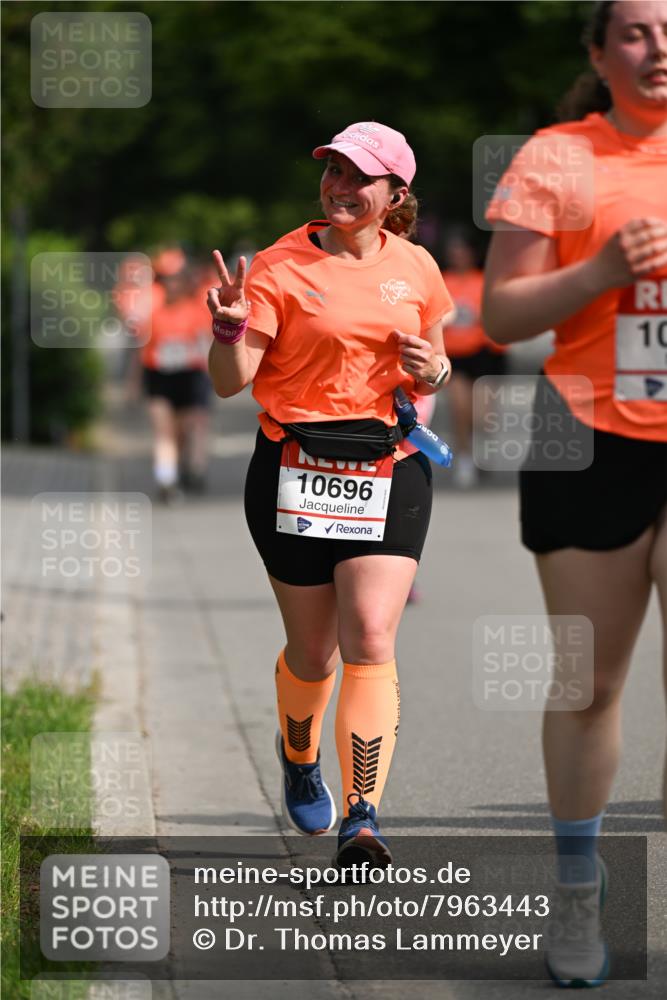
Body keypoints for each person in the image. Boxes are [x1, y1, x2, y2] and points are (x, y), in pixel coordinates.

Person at [206, 121, 453, 868]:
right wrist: (227, 330)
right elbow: (230, 384)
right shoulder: (278, 267)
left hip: (388, 468)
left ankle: (363, 813)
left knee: (371, 636)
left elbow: (433, 369)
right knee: (314, 653)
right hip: (293, 468)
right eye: (333, 172)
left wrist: (433, 376)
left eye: (359, 177)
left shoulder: (417, 266)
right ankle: (299, 754)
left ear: (395, 194)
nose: (340, 187)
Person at [483, 0, 667, 987]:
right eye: (634, 31)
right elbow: (502, 313)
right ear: (599, 53)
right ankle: (576, 896)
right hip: (583, 430)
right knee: (589, 682)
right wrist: (596, 270)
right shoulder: (556, 157)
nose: (658, 46)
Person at [129, 250, 214, 502]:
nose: (172, 284)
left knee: (188, 429)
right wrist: (132, 383)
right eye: (167, 279)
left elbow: (207, 345)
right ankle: (166, 479)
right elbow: (141, 349)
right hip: (159, 376)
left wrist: (216, 379)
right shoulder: (153, 310)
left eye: (177, 278)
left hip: (191, 377)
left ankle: (192, 468)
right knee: (163, 431)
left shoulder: (198, 309)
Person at [441, 228, 507, 488]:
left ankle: (481, 449)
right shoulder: (441, 281)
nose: (458, 255)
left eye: (462, 250)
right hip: (454, 356)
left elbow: (497, 317)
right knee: (459, 409)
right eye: (453, 250)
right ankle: (465, 458)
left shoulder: (484, 281)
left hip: (484, 355)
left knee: (481, 415)